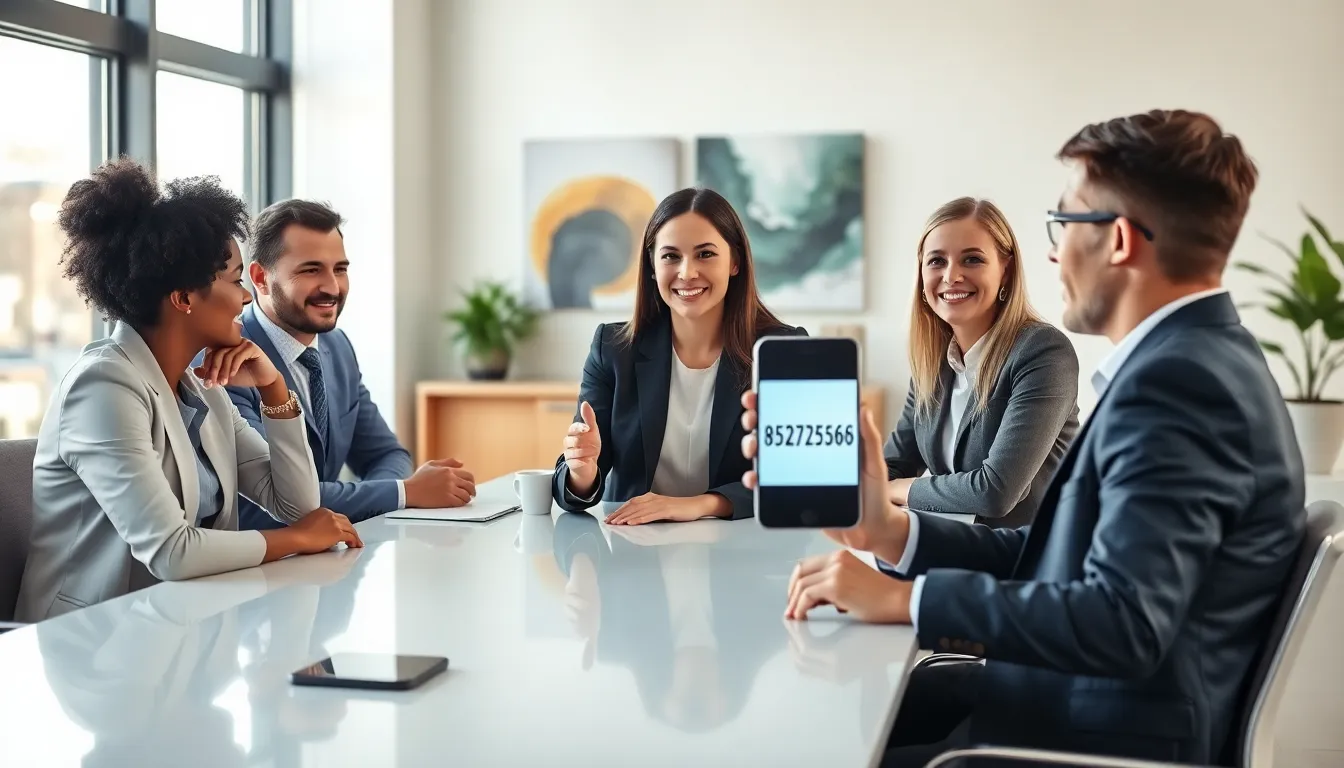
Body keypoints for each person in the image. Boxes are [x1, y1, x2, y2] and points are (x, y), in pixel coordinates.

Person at [741, 109, 1305, 765]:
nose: (1053, 249)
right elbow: (1059, 557)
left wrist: (906, 600)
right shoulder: (1190, 362)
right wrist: (890, 533)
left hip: (1089, 740)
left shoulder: (1180, 384)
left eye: (1063, 223)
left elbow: (1120, 620)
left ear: (1118, 241)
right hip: (1065, 702)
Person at [15, 159, 363, 623]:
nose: (245, 297)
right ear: (182, 297)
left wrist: (274, 387)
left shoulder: (202, 387)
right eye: (235, 279)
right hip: (95, 643)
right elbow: (171, 551)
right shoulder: (103, 387)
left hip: (181, 629)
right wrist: (297, 540)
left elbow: (295, 504)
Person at [552, 187, 805, 525]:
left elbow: (795, 477)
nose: (686, 273)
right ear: (653, 267)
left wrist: (702, 504)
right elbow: (572, 487)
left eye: (705, 254)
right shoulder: (612, 348)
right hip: (634, 549)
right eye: (671, 256)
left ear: (735, 262)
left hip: (742, 549)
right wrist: (582, 471)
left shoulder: (782, 350)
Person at [227, 199, 476, 529]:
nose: (332, 287)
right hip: (255, 568)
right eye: (311, 269)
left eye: (340, 269)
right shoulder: (228, 360)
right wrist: (403, 493)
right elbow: (269, 501)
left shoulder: (337, 347)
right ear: (260, 278)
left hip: (333, 557)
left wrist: (396, 494)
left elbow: (387, 455)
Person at [885, 197, 1079, 528]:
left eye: (972, 260)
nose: (951, 276)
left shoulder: (1043, 352)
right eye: (936, 261)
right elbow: (892, 463)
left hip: (1026, 566)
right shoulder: (933, 361)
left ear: (1006, 270)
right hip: (953, 552)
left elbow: (996, 491)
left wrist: (901, 489)